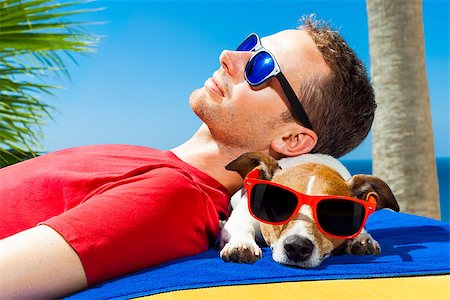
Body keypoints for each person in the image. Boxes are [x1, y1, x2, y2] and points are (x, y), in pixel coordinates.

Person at [0, 16, 375, 298]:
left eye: (261, 67)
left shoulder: (172, 198)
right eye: (250, 45)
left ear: (292, 138)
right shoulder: (152, 160)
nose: (230, 56)